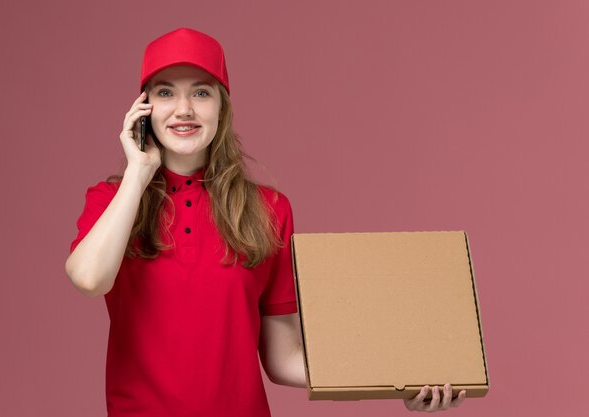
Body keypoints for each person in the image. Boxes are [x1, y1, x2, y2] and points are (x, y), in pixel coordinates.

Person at [65, 27, 466, 416]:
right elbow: (89, 278)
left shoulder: (269, 209)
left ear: (221, 107)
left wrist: (400, 379)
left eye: (201, 93)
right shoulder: (112, 201)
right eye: (166, 92)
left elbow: (283, 357)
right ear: (143, 108)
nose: (183, 109)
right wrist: (138, 173)